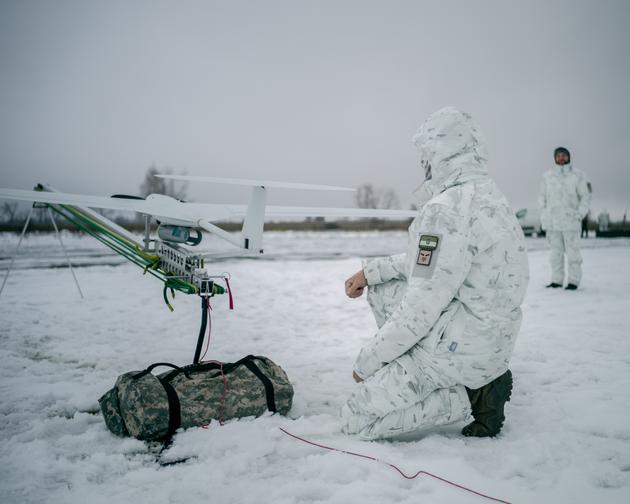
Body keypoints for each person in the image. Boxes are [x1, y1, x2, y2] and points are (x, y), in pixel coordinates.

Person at [340, 107, 529, 441]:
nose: (422, 164)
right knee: (384, 288)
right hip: (488, 337)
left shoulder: (446, 210)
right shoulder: (490, 197)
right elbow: (429, 263)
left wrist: (367, 363)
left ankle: (471, 395)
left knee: (356, 417)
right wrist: (371, 272)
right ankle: (472, 377)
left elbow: (420, 309)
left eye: (425, 155)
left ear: (441, 153)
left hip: (457, 347)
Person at [538, 147, 590, 290]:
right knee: (555, 254)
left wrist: (579, 214)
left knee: (573, 254)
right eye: (558, 155)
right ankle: (556, 280)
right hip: (553, 223)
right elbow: (542, 198)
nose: (561, 158)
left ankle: (573, 281)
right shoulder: (547, 176)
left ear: (568, 157)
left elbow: (585, 196)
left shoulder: (577, 175)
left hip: (571, 222)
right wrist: (544, 215)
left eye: (564, 156)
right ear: (555, 158)